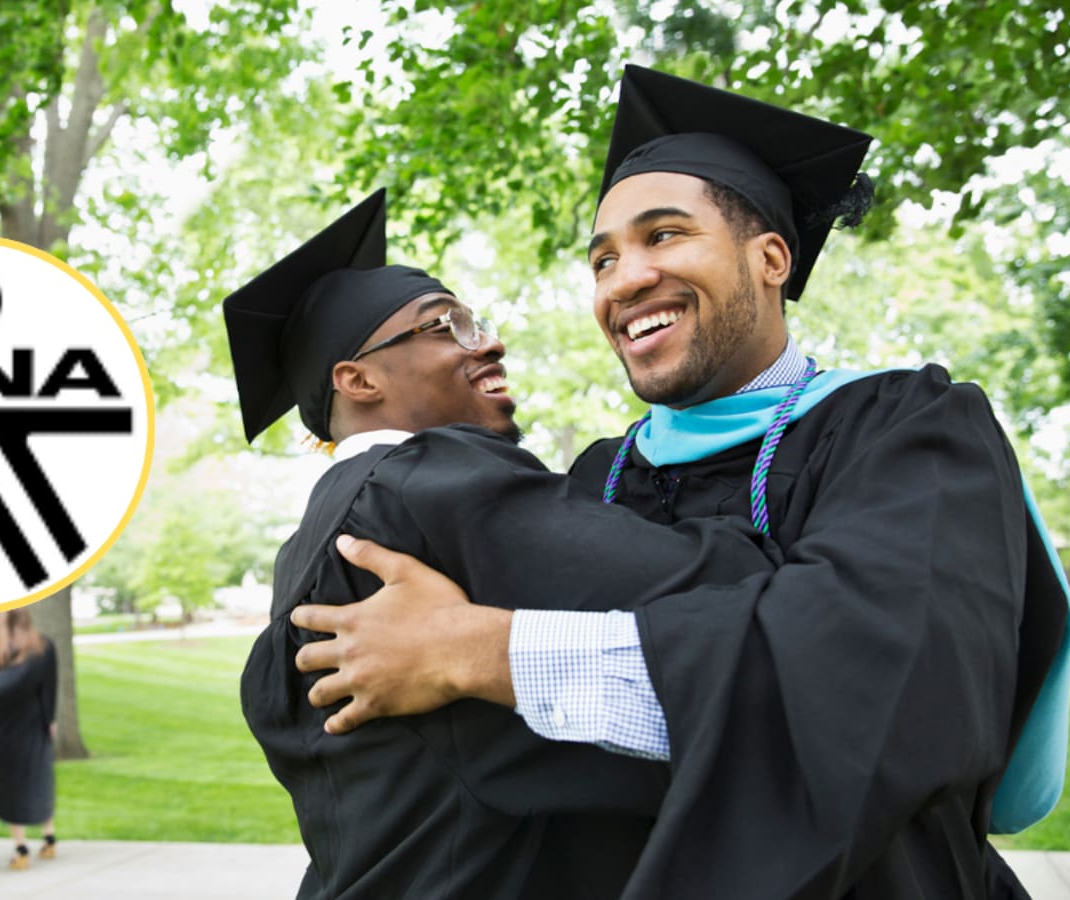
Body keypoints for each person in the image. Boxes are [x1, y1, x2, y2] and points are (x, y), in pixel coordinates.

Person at [291, 66, 1070, 900]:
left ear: (771, 256)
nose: (623, 281)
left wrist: (479, 649)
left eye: (664, 235)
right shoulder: (600, 476)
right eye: (603, 260)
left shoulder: (909, 428)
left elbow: (882, 688)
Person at [227, 189, 789, 898]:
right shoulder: (428, 483)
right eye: (445, 328)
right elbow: (714, 589)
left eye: (476, 321)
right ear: (358, 379)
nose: (487, 341)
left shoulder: (310, 550)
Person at [0, 608, 59, 871]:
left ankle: (21, 847)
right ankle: (48, 837)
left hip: (2, 727)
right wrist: (50, 720)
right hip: (31, 723)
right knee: (38, 779)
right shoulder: (43, 646)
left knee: (9, 784)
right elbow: (49, 687)